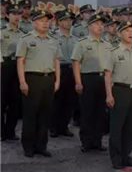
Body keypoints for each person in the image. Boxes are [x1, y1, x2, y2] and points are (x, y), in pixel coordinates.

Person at [16, 9, 60, 157]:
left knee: (45, 115)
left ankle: (41, 145)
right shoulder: (26, 39)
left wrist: (57, 81)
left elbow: (56, 61)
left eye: (47, 21)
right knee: (30, 114)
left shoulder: (53, 40)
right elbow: (20, 61)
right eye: (41, 21)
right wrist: (22, 81)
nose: (45, 23)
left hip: (48, 79)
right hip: (32, 79)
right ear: (34, 23)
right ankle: (28, 146)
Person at [104, 21, 132, 170]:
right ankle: (116, 158)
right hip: (119, 91)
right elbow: (108, 75)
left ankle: (126, 155)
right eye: (126, 30)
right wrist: (109, 95)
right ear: (120, 33)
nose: (130, 33)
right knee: (117, 126)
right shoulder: (114, 52)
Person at [72, 13, 111, 152]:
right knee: (87, 111)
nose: (100, 27)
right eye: (96, 24)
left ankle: (98, 141)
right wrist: (78, 82)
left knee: (100, 112)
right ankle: (86, 141)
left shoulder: (107, 44)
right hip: (88, 79)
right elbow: (76, 62)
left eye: (102, 24)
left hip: (103, 79)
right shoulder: (82, 43)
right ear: (89, 26)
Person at [50, 10, 78, 138]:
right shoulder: (53, 37)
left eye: (70, 20)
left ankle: (64, 126)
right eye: (66, 20)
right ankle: (54, 127)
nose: (69, 22)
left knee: (70, 100)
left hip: (72, 69)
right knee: (57, 99)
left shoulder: (75, 39)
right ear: (59, 22)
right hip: (59, 69)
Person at [1, 4, 24, 141]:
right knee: (2, 100)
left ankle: (10, 132)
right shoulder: (2, 31)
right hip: (5, 65)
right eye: (13, 14)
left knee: (15, 102)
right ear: (7, 15)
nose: (16, 16)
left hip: (18, 66)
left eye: (18, 14)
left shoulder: (23, 34)